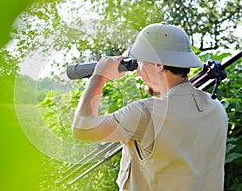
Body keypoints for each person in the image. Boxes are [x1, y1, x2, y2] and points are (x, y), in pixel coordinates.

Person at [71, 22, 228, 191]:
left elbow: (82, 128)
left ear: (159, 64)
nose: (138, 72)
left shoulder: (145, 114)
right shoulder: (217, 109)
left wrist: (99, 77)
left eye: (140, 63)